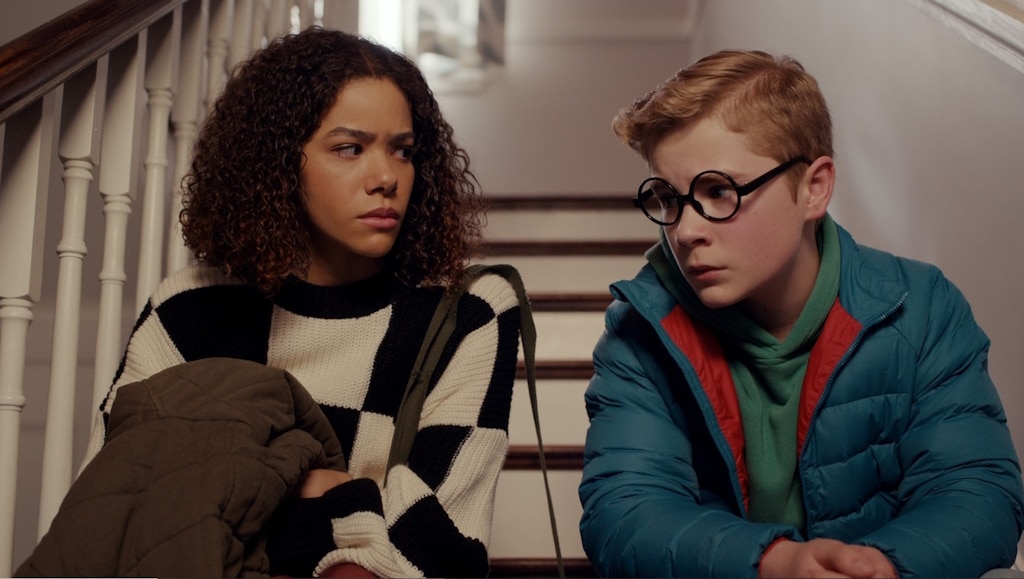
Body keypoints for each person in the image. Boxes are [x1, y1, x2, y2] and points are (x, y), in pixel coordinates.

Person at [77, 26, 521, 578]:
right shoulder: (188, 308)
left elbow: (444, 549)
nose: (387, 177)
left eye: (402, 151)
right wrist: (357, 501)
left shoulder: (467, 312)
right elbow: (113, 507)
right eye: (349, 148)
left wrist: (294, 495)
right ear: (278, 163)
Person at [577, 49, 1024, 578]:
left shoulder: (922, 306)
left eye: (719, 191)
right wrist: (777, 563)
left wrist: (875, 568)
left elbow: (978, 493)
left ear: (814, 188)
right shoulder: (640, 329)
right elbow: (626, 515)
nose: (686, 231)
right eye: (667, 199)